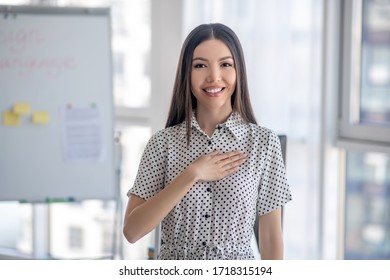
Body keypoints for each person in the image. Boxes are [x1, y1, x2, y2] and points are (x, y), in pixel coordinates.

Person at [123, 23, 292, 260]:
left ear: (238, 71)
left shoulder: (264, 143)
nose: (214, 77)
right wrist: (192, 174)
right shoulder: (162, 144)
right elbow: (132, 230)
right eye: (200, 65)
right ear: (186, 74)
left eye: (225, 64)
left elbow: (272, 240)